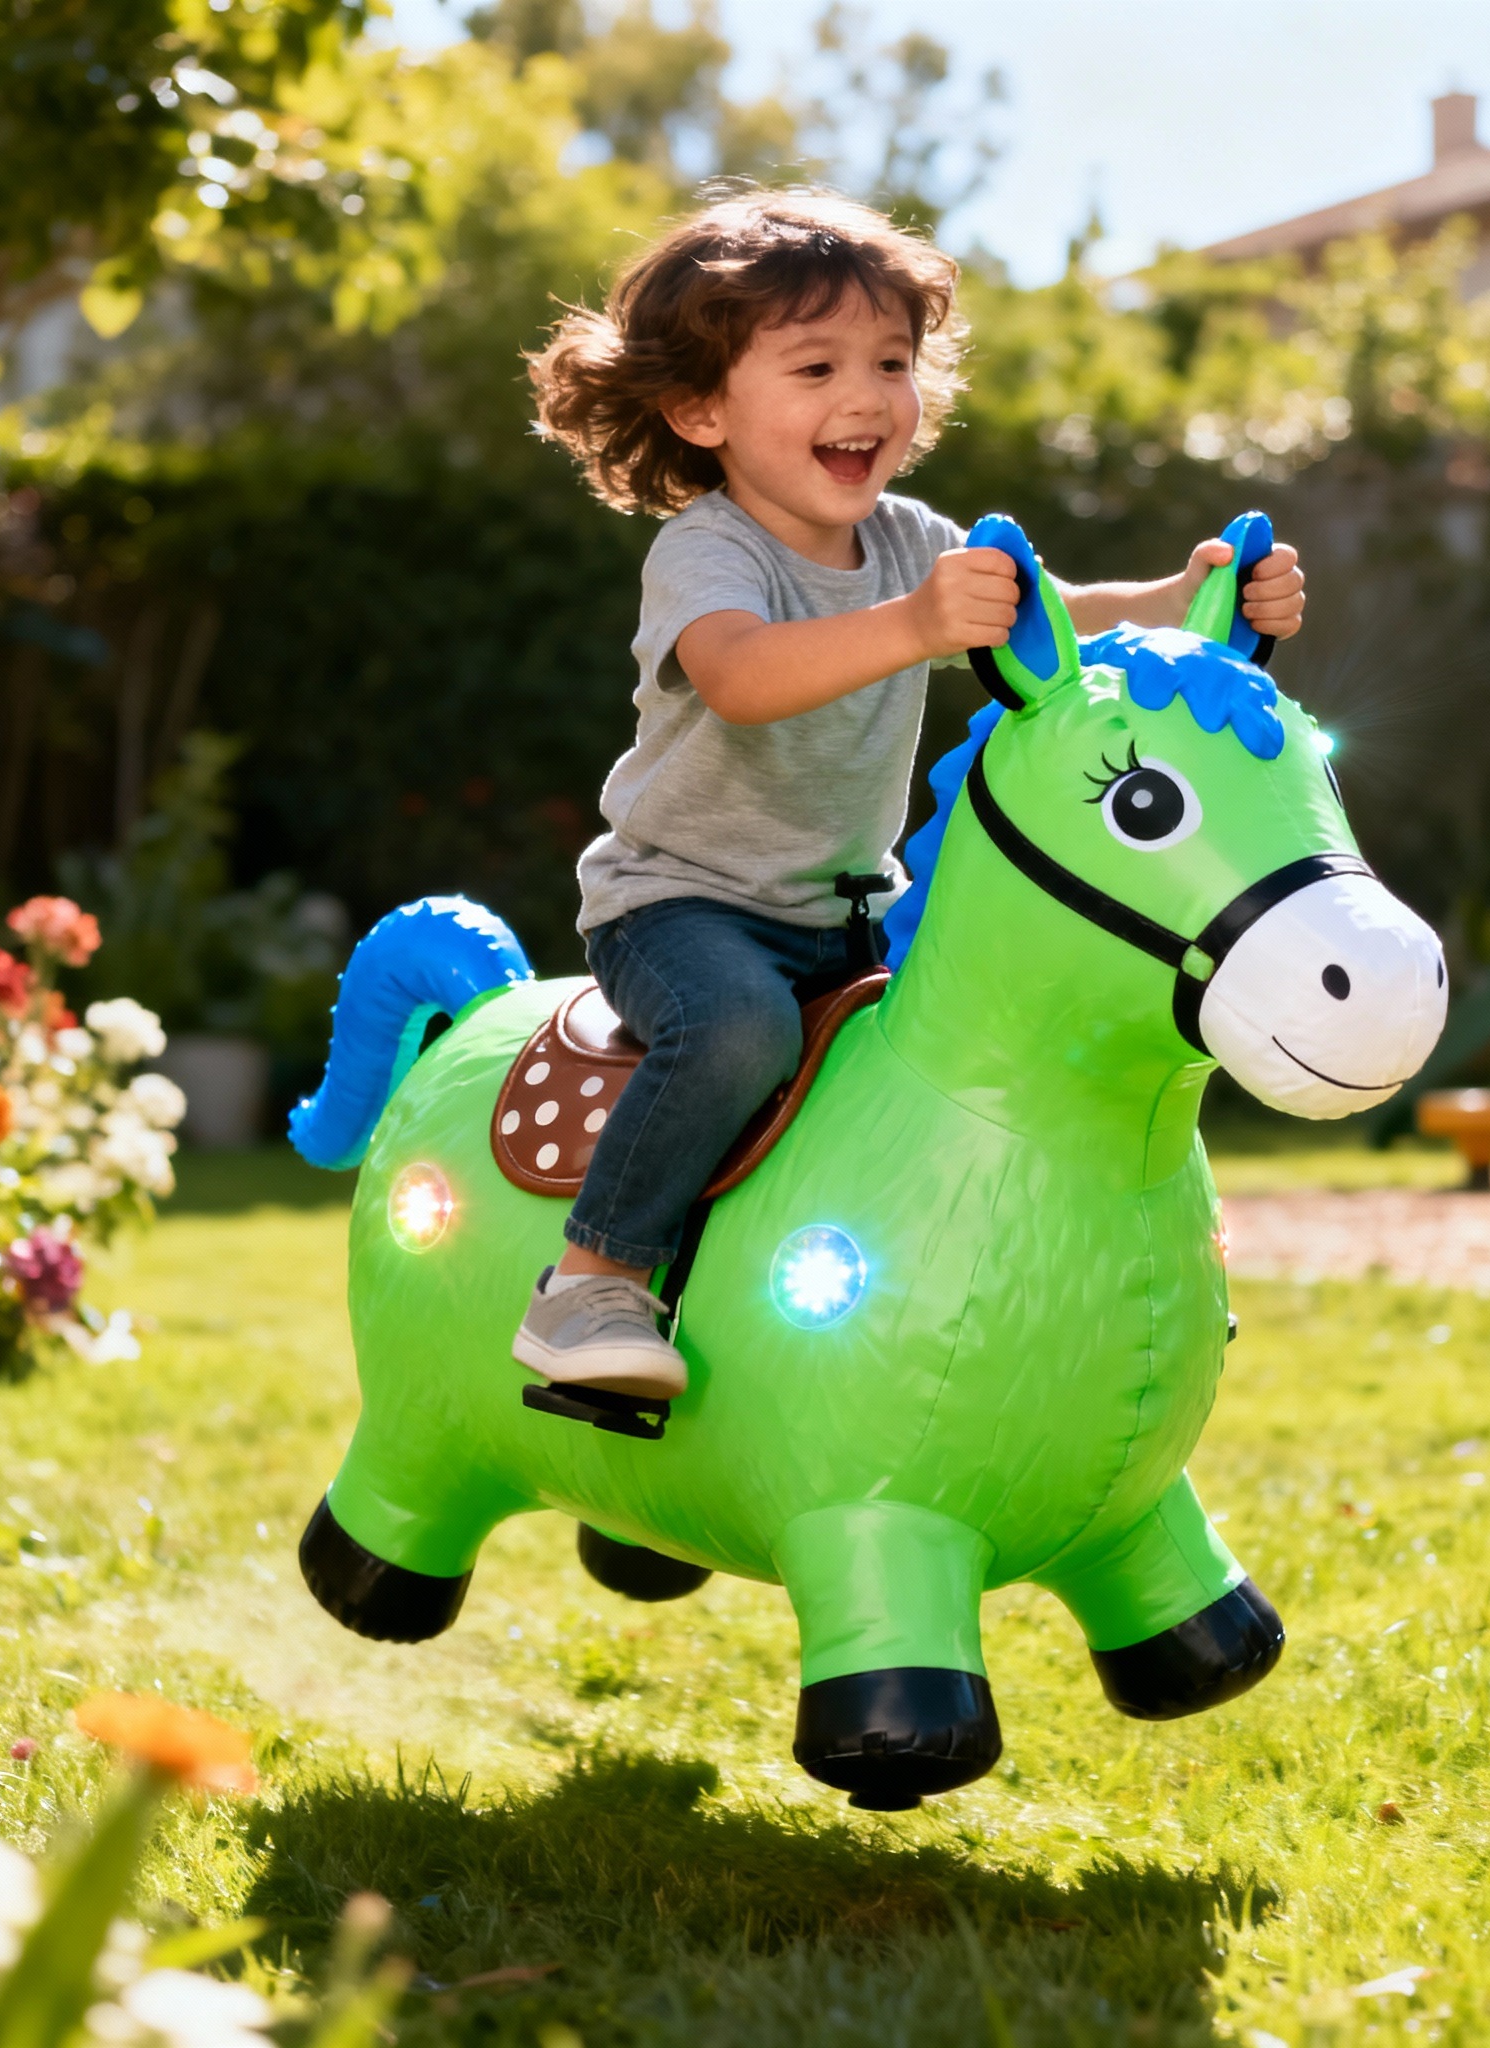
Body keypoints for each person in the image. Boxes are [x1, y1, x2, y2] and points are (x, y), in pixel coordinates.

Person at [513, 188, 1306, 1400]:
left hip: (848, 909)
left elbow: (1051, 613)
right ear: (698, 407)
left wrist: (1175, 594)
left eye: (891, 360)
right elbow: (737, 676)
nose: (867, 394)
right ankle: (590, 1280)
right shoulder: (711, 549)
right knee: (739, 1032)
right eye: (816, 364)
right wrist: (916, 623)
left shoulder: (904, 539)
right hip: (684, 907)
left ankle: (1099, 1269)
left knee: (1008, 1028)